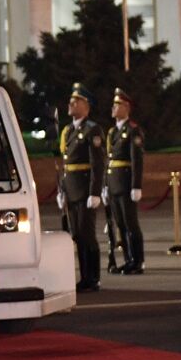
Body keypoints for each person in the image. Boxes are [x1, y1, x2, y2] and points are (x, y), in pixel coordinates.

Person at [59, 83, 105, 293]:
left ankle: (93, 277)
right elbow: (65, 164)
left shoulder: (92, 129)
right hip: (72, 190)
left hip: (85, 190)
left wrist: (95, 192)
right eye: (71, 100)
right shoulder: (68, 131)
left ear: (86, 105)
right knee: (76, 235)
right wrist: (62, 190)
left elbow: (97, 163)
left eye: (75, 100)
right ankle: (84, 276)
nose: (71, 103)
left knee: (87, 235)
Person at [104, 89, 146, 275]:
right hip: (114, 184)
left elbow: (137, 160)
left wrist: (136, 186)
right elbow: (109, 160)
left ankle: (138, 261)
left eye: (117, 104)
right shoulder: (113, 132)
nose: (113, 107)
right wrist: (106, 185)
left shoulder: (133, 130)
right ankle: (128, 259)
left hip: (127, 183)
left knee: (131, 224)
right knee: (120, 224)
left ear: (126, 107)